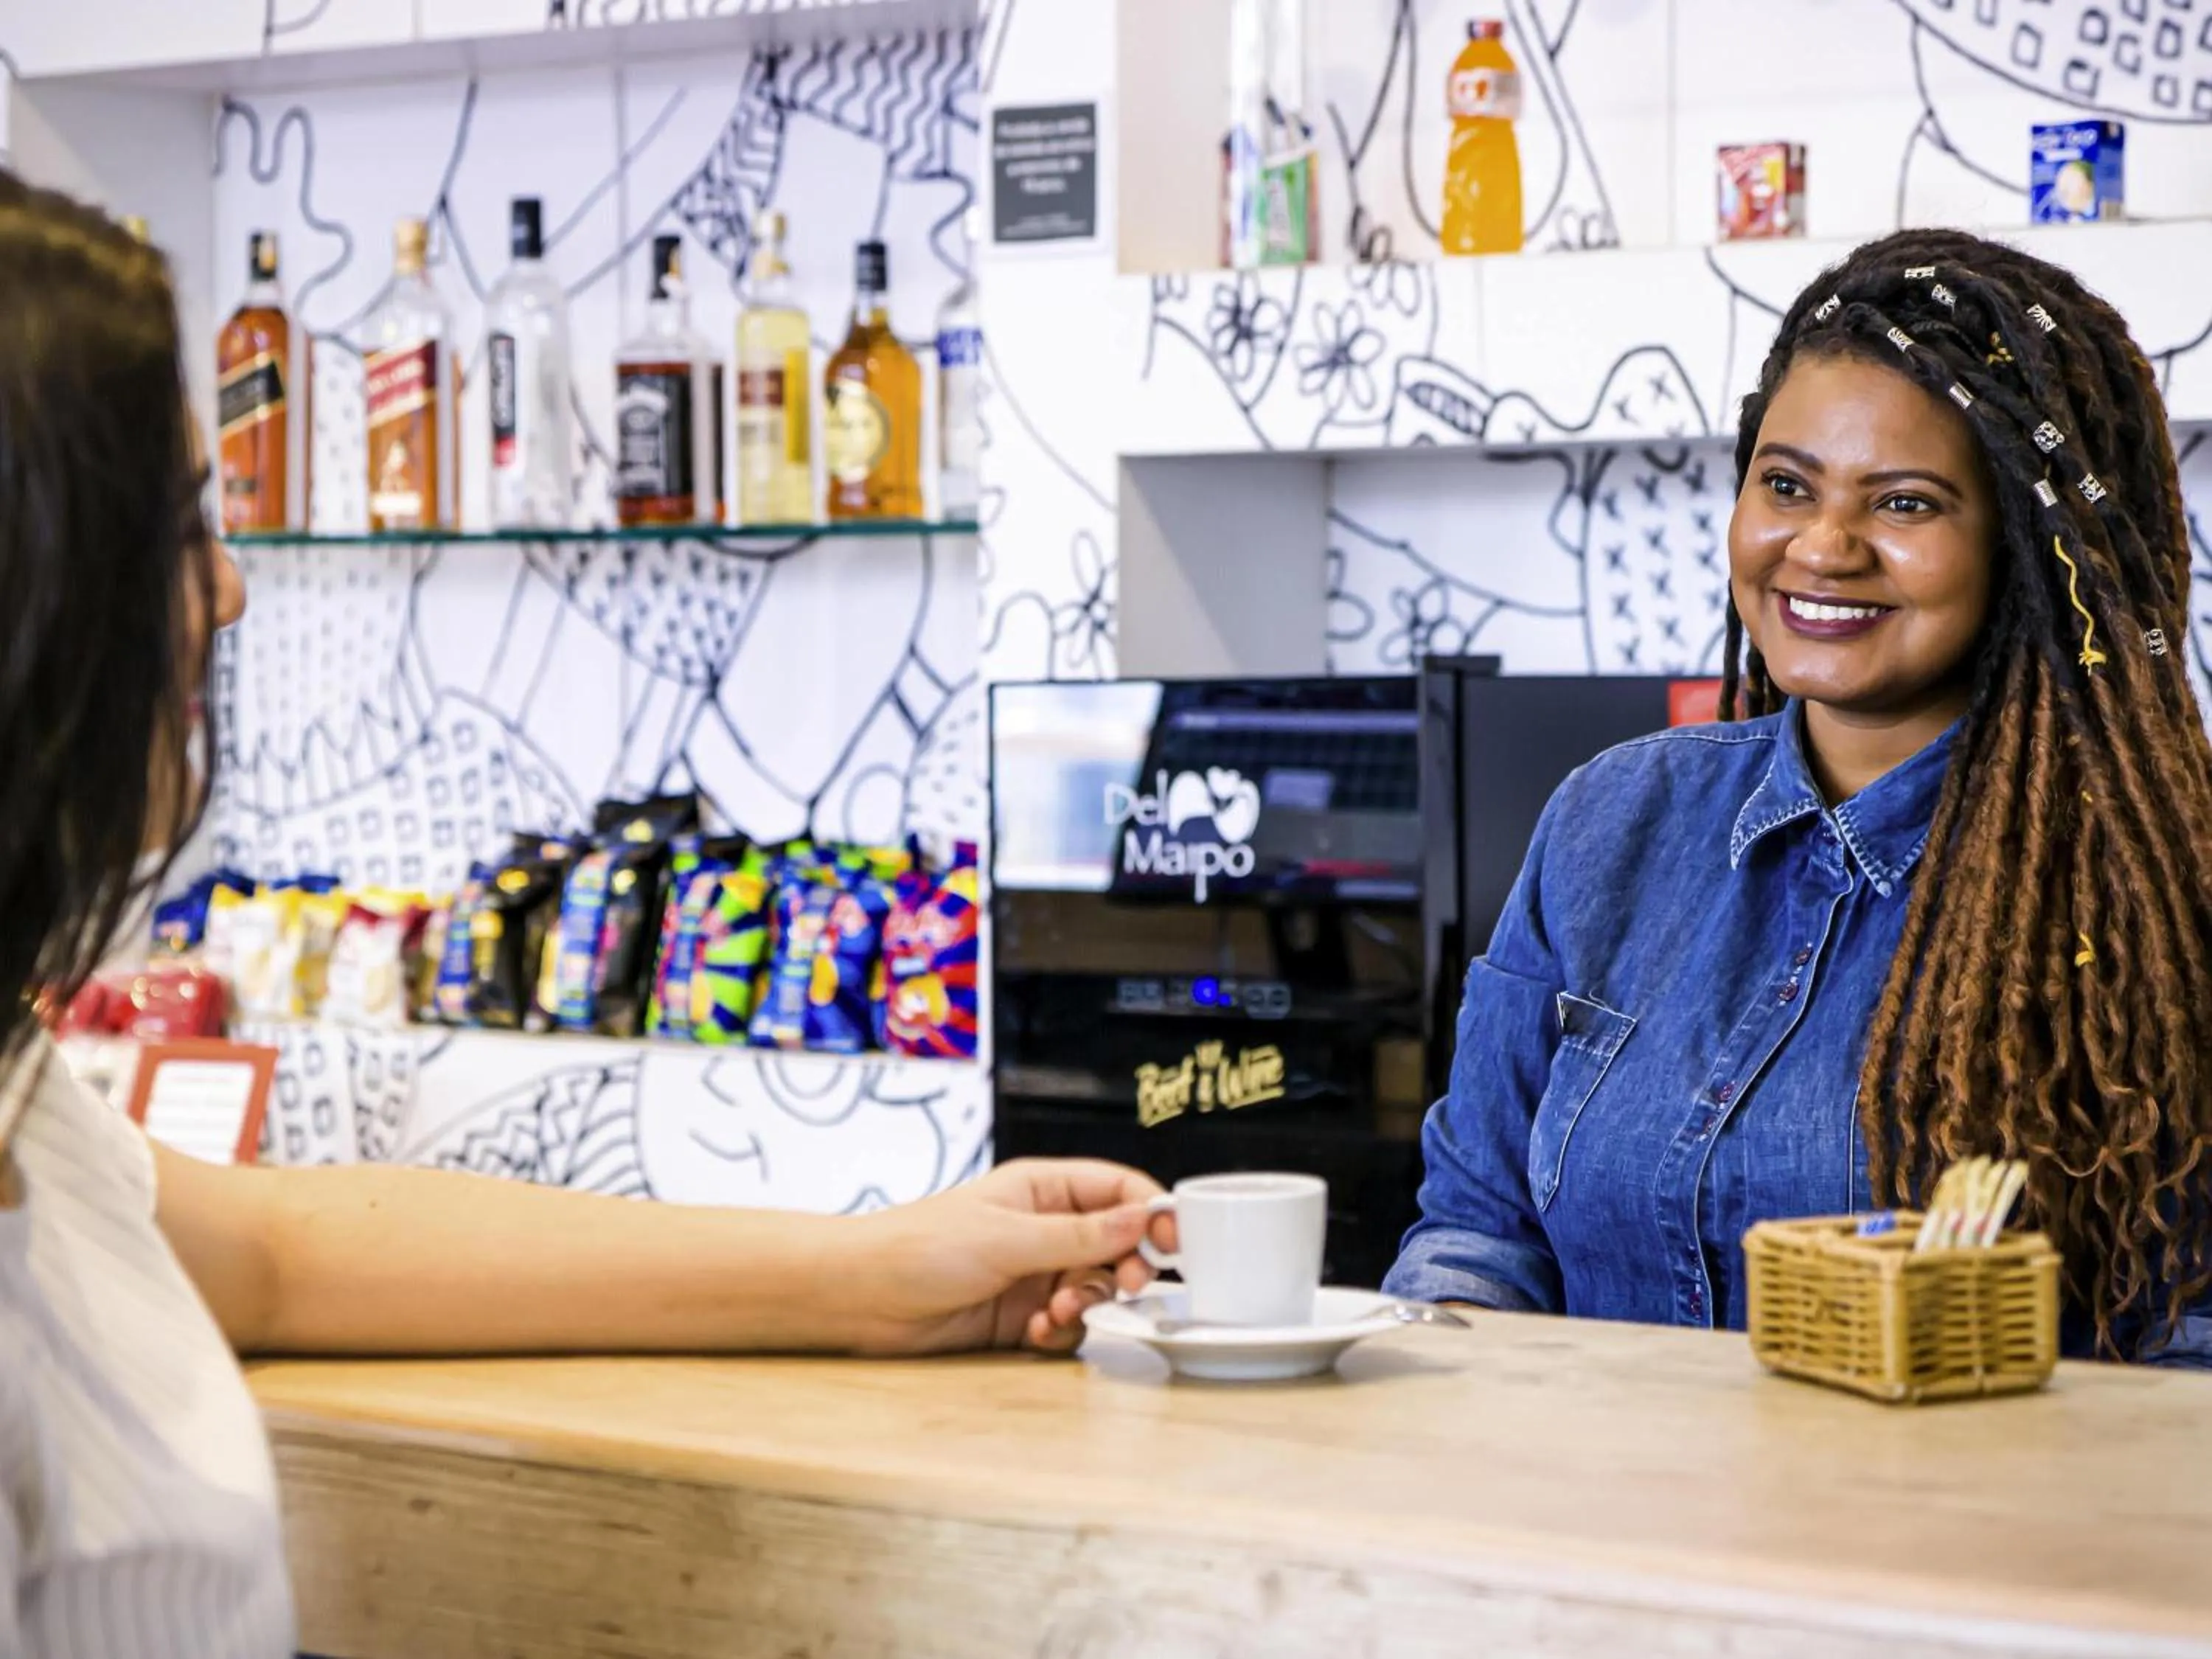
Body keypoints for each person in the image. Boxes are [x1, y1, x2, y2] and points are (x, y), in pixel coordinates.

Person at [0, 177, 1164, 1655]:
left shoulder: (24, 1104)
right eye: (173, 534)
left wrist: (877, 1274)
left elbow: (290, 1248)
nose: (229, 594)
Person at [1385, 227, 2212, 1367]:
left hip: (1952, 1543)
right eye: (1786, 485)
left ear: (2025, 546)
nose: (1823, 547)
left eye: (1906, 504)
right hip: (1584, 1527)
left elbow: (2187, 1356)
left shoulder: (2155, 893)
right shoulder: (1607, 824)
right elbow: (1478, 1234)